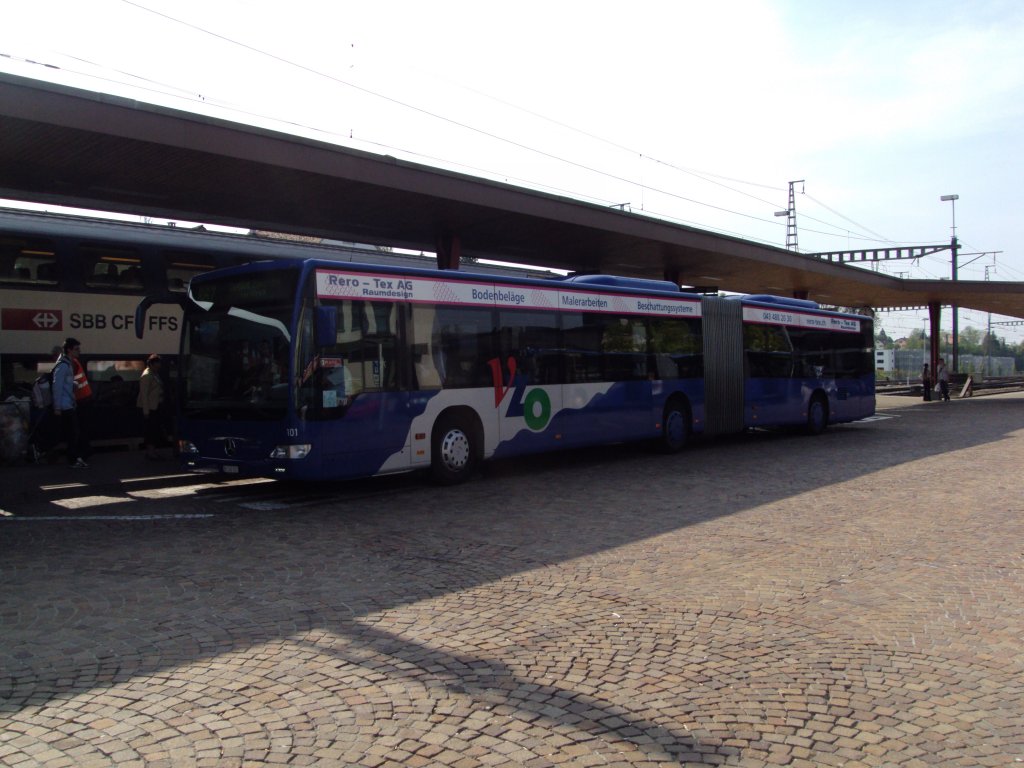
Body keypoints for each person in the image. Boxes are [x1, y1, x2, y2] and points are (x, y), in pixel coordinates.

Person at [52, 337, 88, 468]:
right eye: (76, 349)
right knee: (73, 433)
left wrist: (73, 384)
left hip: (68, 404)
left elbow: (64, 384)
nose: (79, 351)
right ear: (69, 350)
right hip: (64, 405)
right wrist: (57, 407)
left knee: (73, 433)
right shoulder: (63, 365)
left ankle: (74, 458)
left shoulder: (67, 364)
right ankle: (73, 460)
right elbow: (57, 386)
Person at [137, 354, 165, 459]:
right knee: (151, 431)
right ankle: (150, 453)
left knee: (155, 430)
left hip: (155, 406)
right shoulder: (147, 376)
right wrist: (146, 411)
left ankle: (152, 451)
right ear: (152, 364)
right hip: (150, 409)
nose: (159, 365)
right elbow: (144, 395)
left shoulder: (154, 374)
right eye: (158, 363)